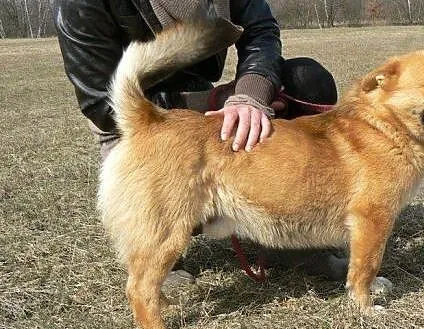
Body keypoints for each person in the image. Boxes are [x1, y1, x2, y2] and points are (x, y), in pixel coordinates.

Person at [54, 0, 347, 282]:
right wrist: (203, 113)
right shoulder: (79, 4)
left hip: (200, 104)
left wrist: (251, 95)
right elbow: (101, 103)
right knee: (159, 235)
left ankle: (289, 237)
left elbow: (261, 32)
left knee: (307, 80)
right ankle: (152, 258)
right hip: (127, 123)